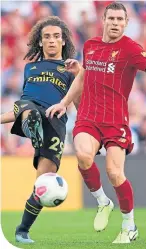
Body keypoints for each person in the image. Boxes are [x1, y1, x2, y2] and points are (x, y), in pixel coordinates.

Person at [46, 2, 146, 244]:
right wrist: (64, 102)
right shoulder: (90, 46)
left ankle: (129, 226)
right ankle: (103, 201)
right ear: (103, 20)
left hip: (116, 122)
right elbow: (84, 77)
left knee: (115, 173)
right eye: (111, 19)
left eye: (120, 20)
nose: (115, 23)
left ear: (126, 23)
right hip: (89, 117)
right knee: (83, 156)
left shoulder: (131, 48)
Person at [1, 16, 81, 244]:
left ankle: (22, 230)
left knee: (43, 182)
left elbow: (80, 106)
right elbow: (22, 101)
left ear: (64, 41)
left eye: (57, 36)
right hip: (29, 109)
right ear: (40, 41)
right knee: (27, 107)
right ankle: (32, 128)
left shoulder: (70, 68)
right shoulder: (30, 68)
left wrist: (78, 77)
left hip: (56, 123)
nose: (52, 40)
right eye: (47, 36)